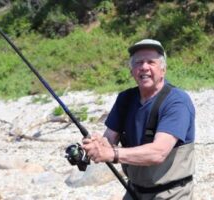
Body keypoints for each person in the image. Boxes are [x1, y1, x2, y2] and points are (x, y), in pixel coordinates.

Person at [82, 39, 195, 200]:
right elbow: (109, 139)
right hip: (134, 190)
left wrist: (110, 153)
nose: (144, 67)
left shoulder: (177, 101)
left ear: (163, 69)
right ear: (132, 71)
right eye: (138, 62)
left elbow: (158, 153)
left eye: (151, 62)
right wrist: (97, 144)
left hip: (172, 193)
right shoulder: (125, 98)